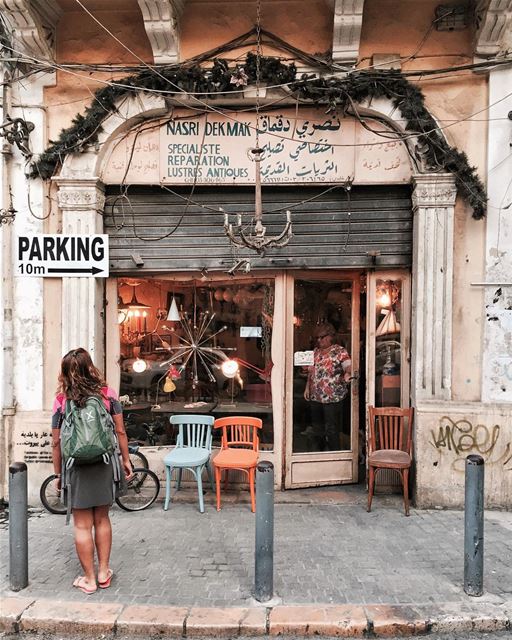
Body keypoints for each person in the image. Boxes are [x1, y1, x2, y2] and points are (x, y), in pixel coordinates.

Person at [51, 348, 132, 595]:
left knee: (82, 525)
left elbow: (56, 442)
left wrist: (57, 474)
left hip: (75, 467)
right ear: (91, 367)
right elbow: (119, 431)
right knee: (102, 519)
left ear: (65, 372)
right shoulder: (107, 394)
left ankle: (88, 579)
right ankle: (103, 572)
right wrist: (126, 460)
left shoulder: (61, 400)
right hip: (105, 462)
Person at [304, 323, 352, 451]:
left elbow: (348, 365)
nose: (319, 340)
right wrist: (307, 388)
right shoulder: (315, 352)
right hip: (316, 397)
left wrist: (348, 372)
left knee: (332, 429)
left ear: (331, 336)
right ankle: (319, 456)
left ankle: (334, 455)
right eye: (317, 338)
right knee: (317, 429)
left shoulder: (339, 351)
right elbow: (310, 372)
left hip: (333, 397)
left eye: (322, 337)